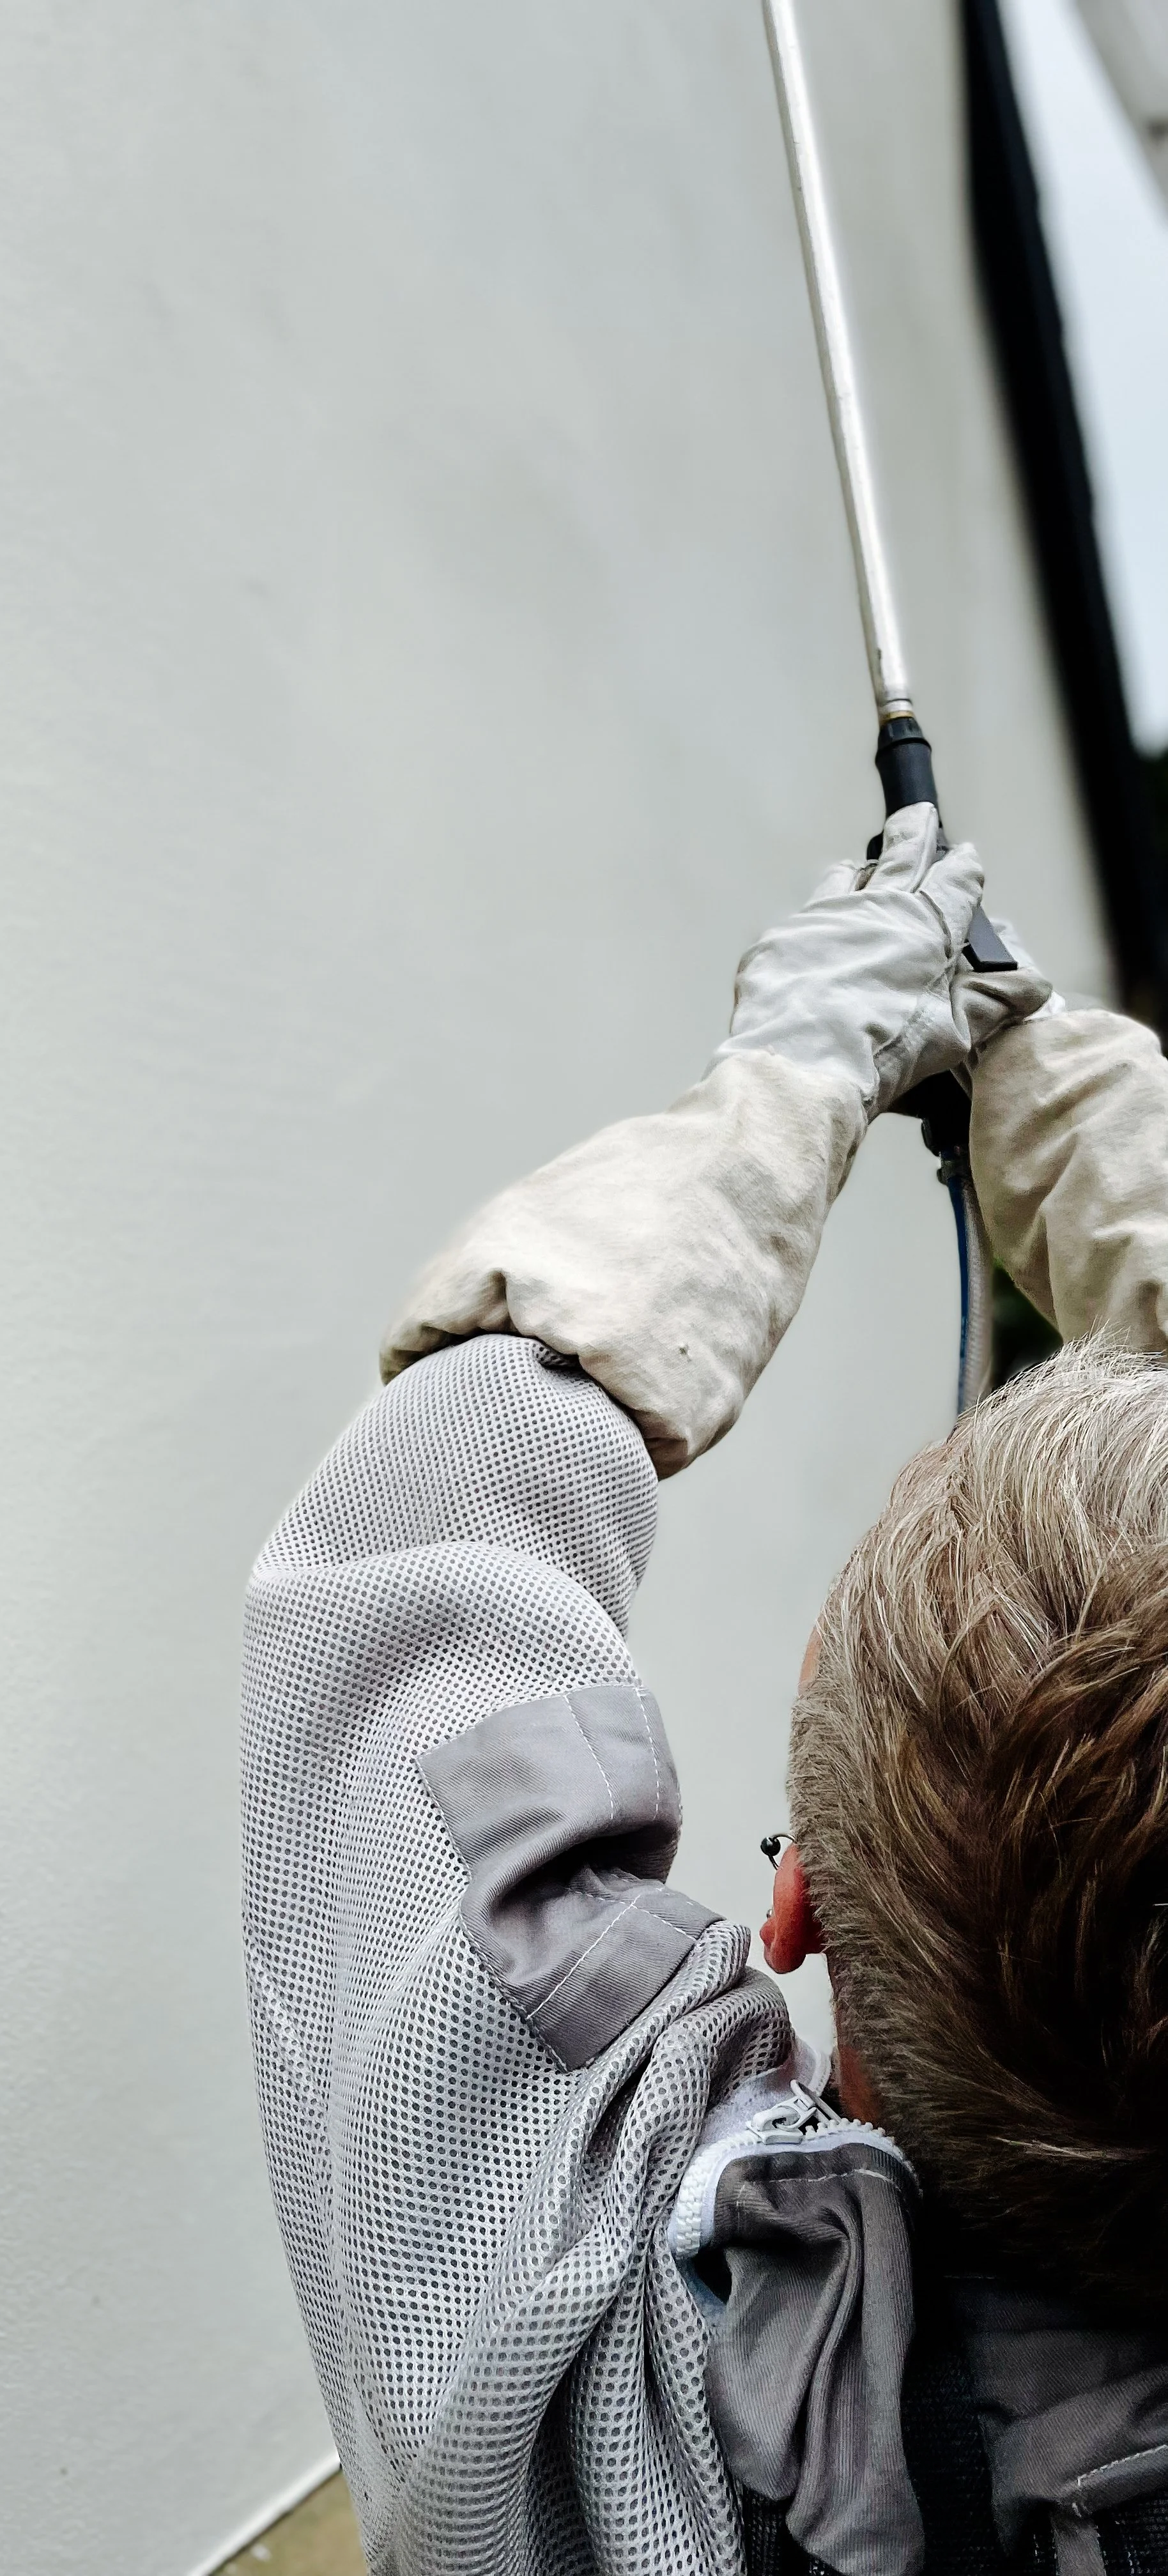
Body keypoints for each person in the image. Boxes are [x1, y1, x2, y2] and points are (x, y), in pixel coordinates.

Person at [242, 806, 1168, 2576]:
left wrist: (790, 1079)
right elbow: (428, 1579)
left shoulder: (605, 2432)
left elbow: (409, 1534)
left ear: (794, 1896)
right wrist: (1080, 1121)